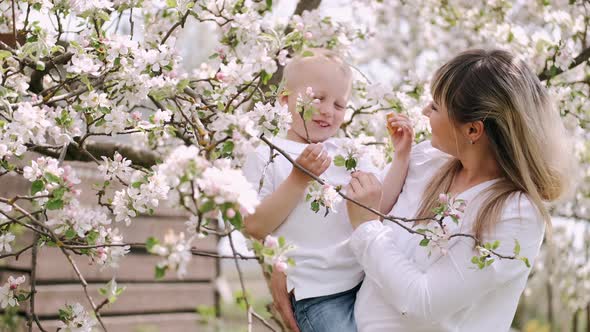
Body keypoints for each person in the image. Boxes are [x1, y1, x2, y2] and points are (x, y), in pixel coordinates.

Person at [345, 49, 572, 331]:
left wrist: (367, 227)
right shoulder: (425, 159)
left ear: (473, 131)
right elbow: (352, 208)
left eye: (436, 107)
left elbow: (423, 302)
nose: (425, 111)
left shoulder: (516, 214)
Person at [242, 48, 413, 332]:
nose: (327, 110)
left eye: (339, 104)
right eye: (318, 98)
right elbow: (255, 225)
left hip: (369, 283)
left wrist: (401, 157)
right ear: (285, 100)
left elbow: (379, 206)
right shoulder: (268, 154)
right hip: (318, 294)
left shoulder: (349, 153)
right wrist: (298, 178)